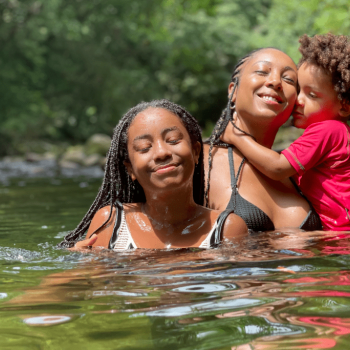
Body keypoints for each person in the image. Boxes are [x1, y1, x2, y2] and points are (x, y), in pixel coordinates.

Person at [59, 100, 247, 250]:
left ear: (196, 152)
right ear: (130, 169)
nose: (161, 152)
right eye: (144, 148)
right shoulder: (112, 222)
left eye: (173, 140)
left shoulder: (227, 228)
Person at [222, 34, 350, 231]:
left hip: (341, 235)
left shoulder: (328, 130)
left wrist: (235, 136)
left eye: (312, 95)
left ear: (344, 106)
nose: (298, 100)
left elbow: (278, 167)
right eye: (298, 90)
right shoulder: (338, 133)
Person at [204, 47, 322, 231]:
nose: (276, 82)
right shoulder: (198, 161)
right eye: (261, 71)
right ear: (233, 91)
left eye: (289, 79)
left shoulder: (296, 173)